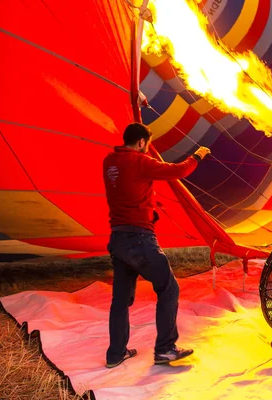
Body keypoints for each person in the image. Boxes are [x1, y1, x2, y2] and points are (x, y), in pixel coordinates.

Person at [102, 122, 210, 368]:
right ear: (141, 142)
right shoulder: (140, 162)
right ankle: (165, 349)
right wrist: (198, 155)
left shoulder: (109, 161)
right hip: (140, 238)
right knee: (168, 289)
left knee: (120, 301)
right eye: (147, 145)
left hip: (118, 240)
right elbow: (179, 171)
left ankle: (115, 354)